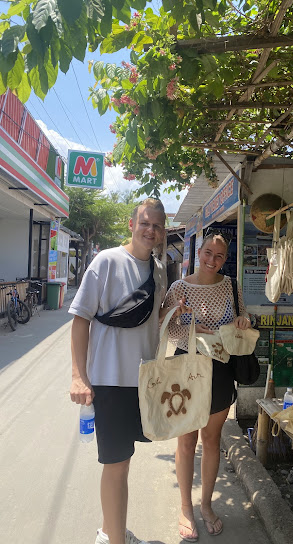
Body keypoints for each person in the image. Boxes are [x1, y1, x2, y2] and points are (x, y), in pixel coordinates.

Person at [69, 198, 180, 544]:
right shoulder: (106, 261)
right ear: (132, 224)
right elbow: (80, 318)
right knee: (116, 465)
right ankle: (115, 539)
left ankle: (111, 532)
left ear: (162, 232)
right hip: (110, 380)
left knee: (124, 461)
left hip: (143, 381)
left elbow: (148, 319)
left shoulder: (159, 270)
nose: (151, 230)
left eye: (157, 226)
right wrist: (78, 376)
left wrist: (170, 313)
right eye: (145, 223)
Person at [163, 229, 252, 542]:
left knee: (211, 441)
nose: (212, 260)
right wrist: (190, 327)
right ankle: (185, 508)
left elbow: (245, 318)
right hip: (187, 368)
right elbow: (166, 325)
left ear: (225, 259)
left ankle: (206, 505)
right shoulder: (179, 287)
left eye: (219, 256)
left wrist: (243, 322)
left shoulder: (231, 286)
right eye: (207, 253)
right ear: (198, 253)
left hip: (221, 370)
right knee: (187, 442)